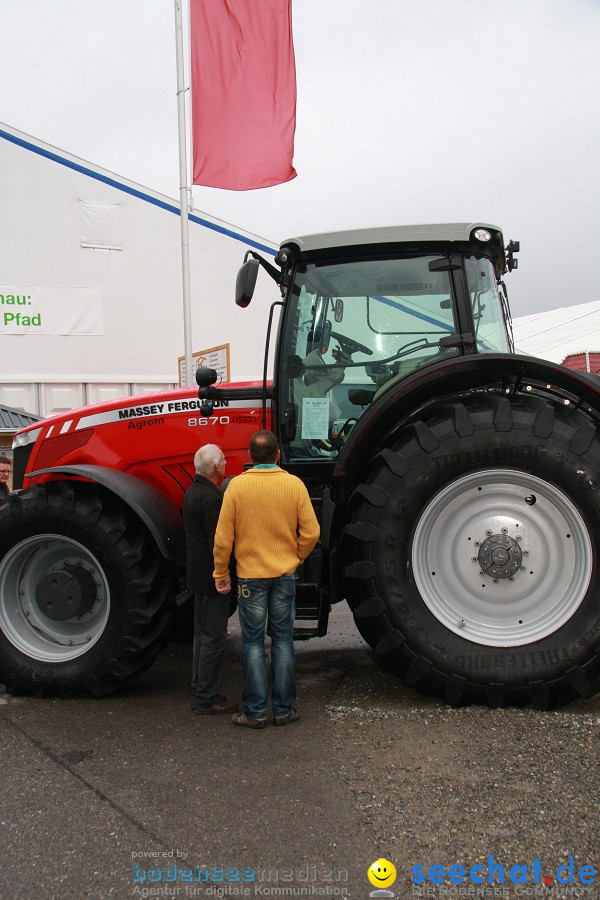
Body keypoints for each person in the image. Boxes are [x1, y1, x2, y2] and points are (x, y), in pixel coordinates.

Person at [213, 430, 320, 729]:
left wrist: (221, 573)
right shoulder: (294, 484)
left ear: (250, 456)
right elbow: (311, 532)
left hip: (250, 578)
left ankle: (256, 712)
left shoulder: (236, 487)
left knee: (252, 643)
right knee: (283, 640)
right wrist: (296, 558)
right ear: (277, 455)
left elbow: (223, 538)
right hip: (284, 575)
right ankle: (284, 710)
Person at [183, 444, 238, 716]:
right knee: (214, 638)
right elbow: (217, 542)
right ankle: (207, 698)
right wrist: (224, 575)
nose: (227, 463)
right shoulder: (212, 498)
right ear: (216, 467)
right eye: (224, 460)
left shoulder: (193, 492)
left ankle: (200, 691)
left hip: (197, 576)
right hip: (211, 578)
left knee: (202, 638)